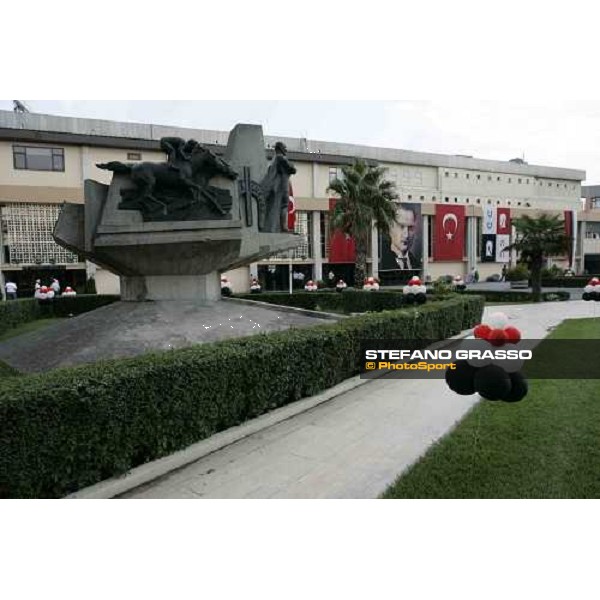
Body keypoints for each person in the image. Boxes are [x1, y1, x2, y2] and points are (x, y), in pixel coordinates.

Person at [382, 204, 422, 270]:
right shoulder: (381, 261)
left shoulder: (416, 264)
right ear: (389, 228)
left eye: (410, 228)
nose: (406, 235)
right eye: (401, 226)